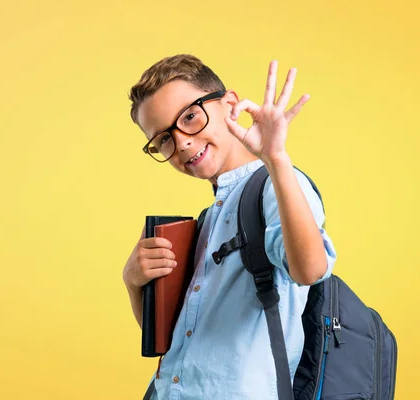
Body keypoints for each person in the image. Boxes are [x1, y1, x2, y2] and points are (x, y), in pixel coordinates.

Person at [123, 54, 337, 400]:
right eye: (163, 139)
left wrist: (277, 159)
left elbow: (310, 270)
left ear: (230, 105)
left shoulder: (277, 187)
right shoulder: (208, 219)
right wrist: (134, 283)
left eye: (189, 117)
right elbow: (176, 341)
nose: (181, 143)